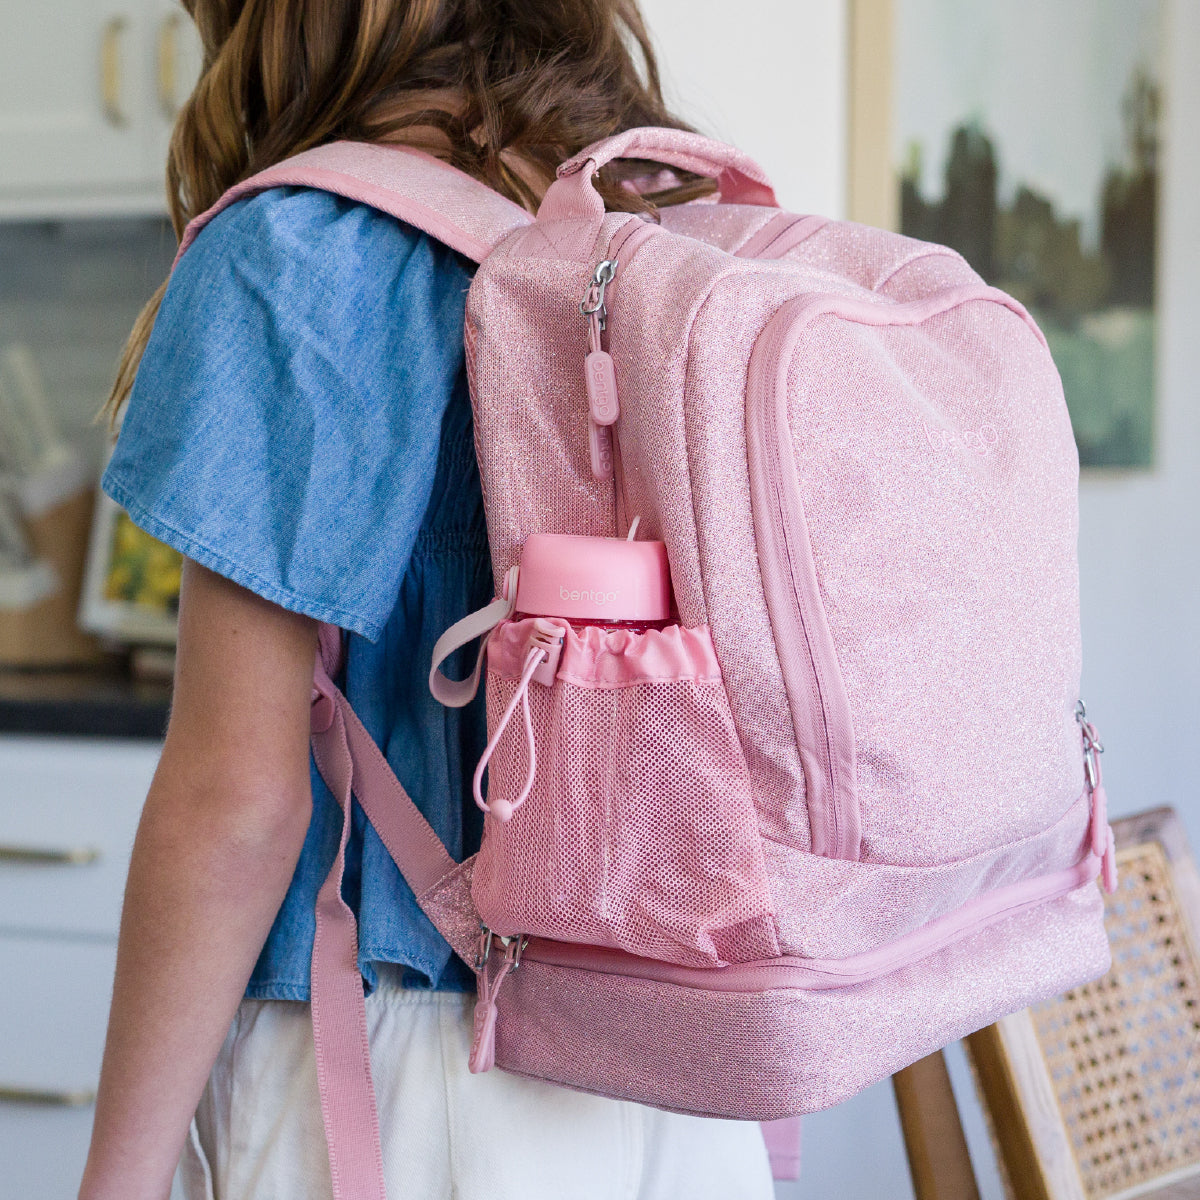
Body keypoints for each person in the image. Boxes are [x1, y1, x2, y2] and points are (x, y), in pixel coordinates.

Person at [78, 3, 776, 1198]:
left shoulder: (306, 248)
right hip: (686, 1069)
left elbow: (236, 803)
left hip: (405, 1072)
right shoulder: (655, 209)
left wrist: (116, 1179)